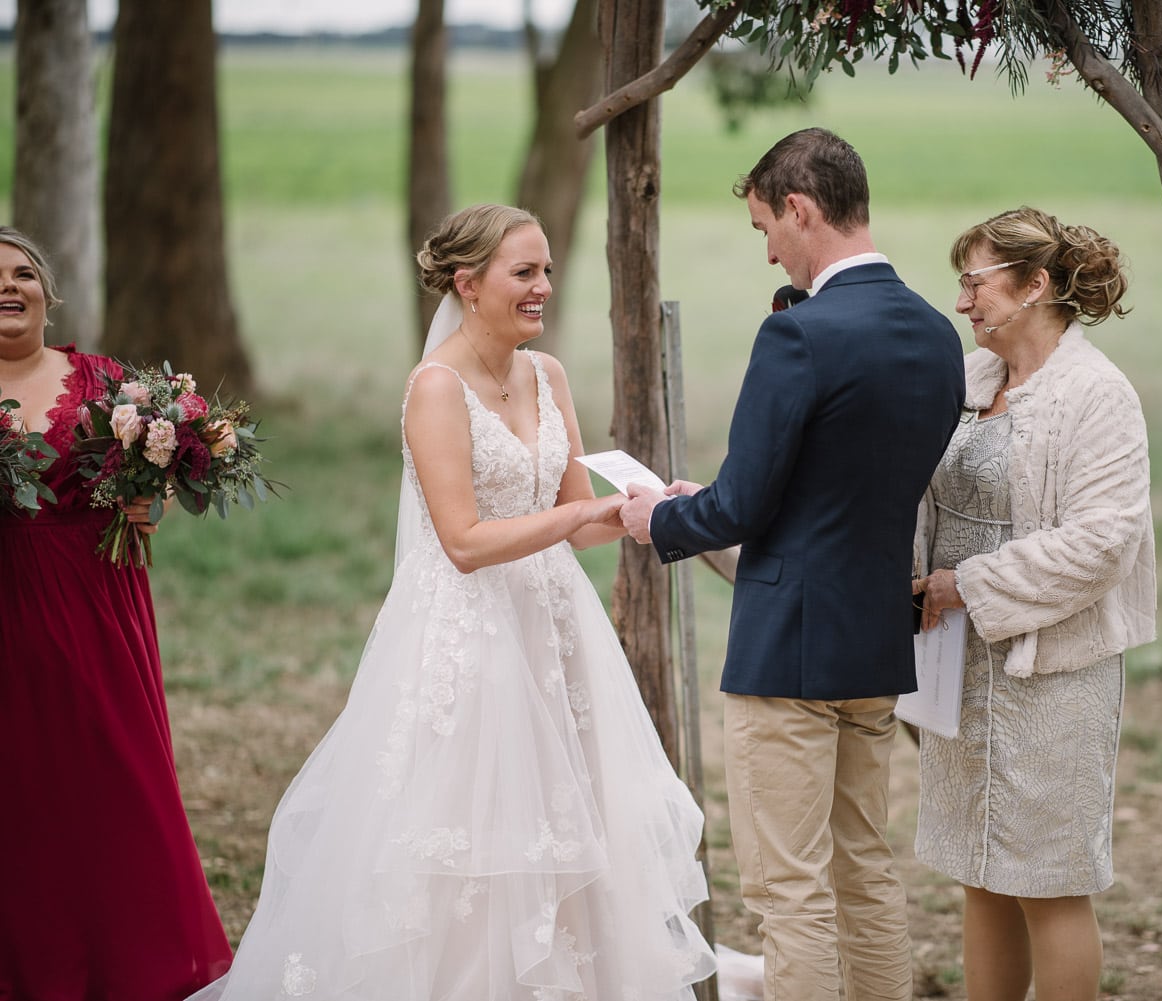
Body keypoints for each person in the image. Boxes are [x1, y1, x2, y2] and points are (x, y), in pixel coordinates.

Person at [189, 204, 715, 1000]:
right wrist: (574, 515)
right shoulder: (436, 388)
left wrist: (639, 509)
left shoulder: (549, 375)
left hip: (555, 628)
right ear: (469, 284)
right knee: (473, 826)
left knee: (579, 822)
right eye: (524, 272)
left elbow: (578, 519)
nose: (542, 286)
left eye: (545, 270)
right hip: (472, 636)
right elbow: (463, 541)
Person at [620, 127, 965, 1001]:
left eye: (765, 226)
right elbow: (844, 484)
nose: (767, 247)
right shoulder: (935, 334)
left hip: (789, 654)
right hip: (874, 646)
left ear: (800, 208)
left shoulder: (799, 337)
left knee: (790, 889)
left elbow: (739, 506)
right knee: (864, 869)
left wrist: (656, 517)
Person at [910, 206, 1156, 1001]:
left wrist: (968, 586)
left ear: (1035, 285)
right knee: (978, 865)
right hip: (959, 662)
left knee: (1047, 877)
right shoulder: (975, 379)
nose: (963, 302)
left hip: (1052, 672)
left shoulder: (1097, 393)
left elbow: (1103, 543)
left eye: (975, 283)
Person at [0, 226, 234, 999]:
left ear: (48, 292)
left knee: (116, 785)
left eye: (23, 272)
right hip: (9, 604)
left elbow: (160, 478)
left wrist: (151, 499)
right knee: (21, 793)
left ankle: (136, 963)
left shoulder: (102, 381)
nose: (9, 286)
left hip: (98, 605)